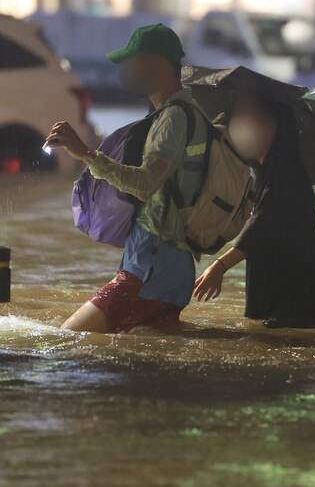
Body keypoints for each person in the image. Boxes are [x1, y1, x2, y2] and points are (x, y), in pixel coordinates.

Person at [46, 24, 207, 334]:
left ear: (158, 65)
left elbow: (146, 184)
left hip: (150, 268)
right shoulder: (186, 112)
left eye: (133, 62)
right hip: (168, 267)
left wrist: (85, 154)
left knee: (68, 338)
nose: (127, 71)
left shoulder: (172, 118)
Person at [192, 93, 315, 328]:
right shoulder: (267, 171)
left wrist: (219, 267)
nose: (242, 129)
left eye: (251, 120)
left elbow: (259, 229)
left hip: (296, 298)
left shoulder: (284, 174)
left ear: (273, 127)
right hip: (293, 295)